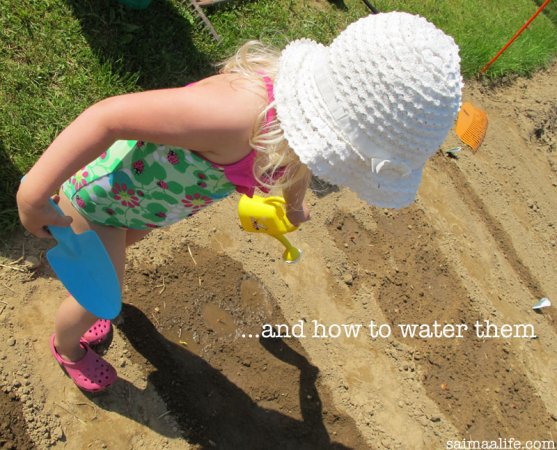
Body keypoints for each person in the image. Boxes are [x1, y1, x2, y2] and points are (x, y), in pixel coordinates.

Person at [16, 11, 463, 392]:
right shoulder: (233, 116)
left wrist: (293, 204)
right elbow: (107, 119)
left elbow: (298, 163)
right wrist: (34, 193)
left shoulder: (290, 131)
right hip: (99, 200)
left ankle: (92, 287)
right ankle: (68, 346)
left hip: (148, 204)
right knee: (99, 297)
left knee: (116, 257)